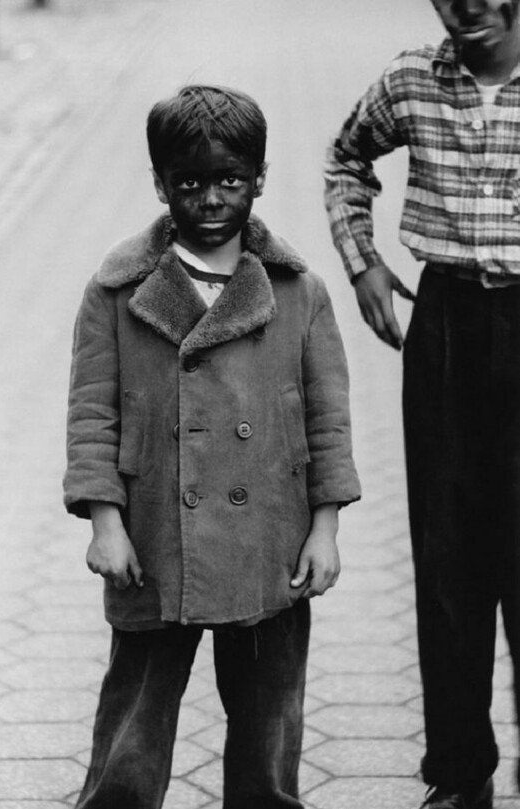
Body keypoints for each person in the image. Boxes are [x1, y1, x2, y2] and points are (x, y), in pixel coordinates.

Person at [64, 84, 360, 809]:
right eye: (188, 182)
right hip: (155, 537)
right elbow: (92, 413)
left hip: (269, 539)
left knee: (268, 720)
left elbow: (327, 421)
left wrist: (324, 528)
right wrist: (105, 521)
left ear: (259, 177)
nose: (210, 198)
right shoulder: (116, 290)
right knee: (134, 718)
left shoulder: (297, 290)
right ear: (160, 182)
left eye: (229, 179)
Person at [324, 1, 520, 808]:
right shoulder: (410, 79)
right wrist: (363, 261)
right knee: (448, 558)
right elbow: (345, 159)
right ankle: (459, 770)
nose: (468, 6)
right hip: (446, 331)